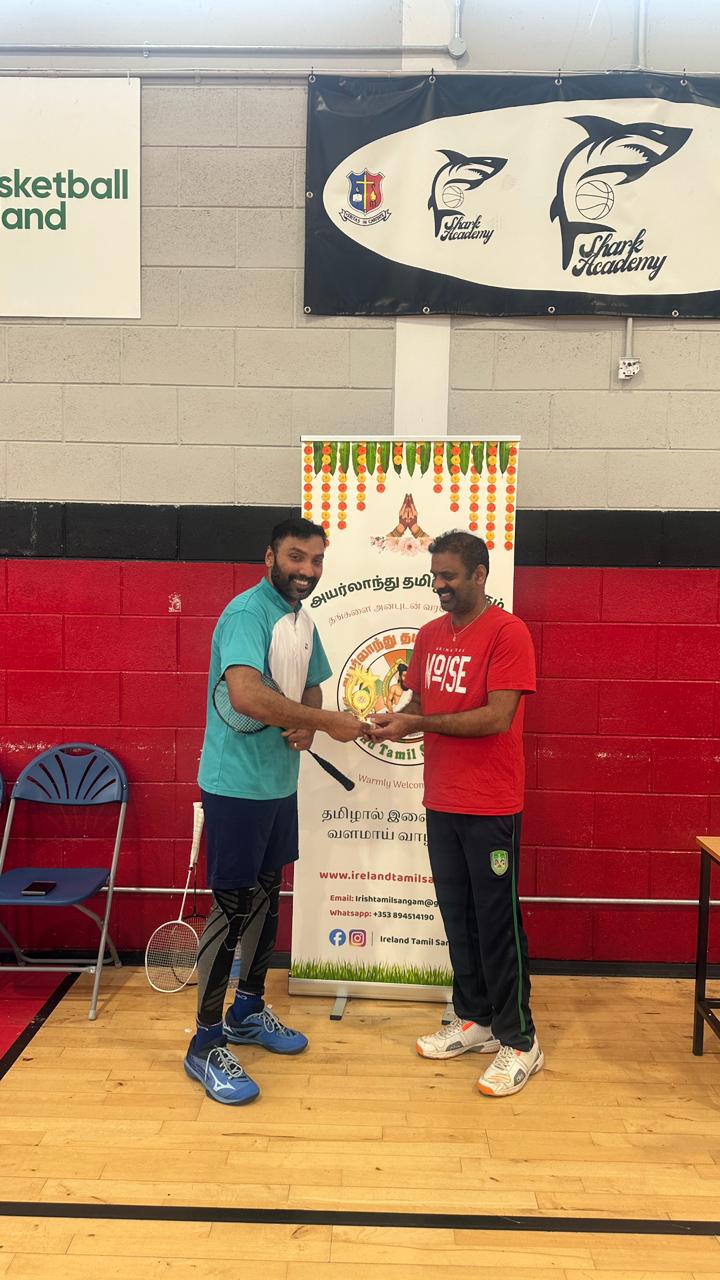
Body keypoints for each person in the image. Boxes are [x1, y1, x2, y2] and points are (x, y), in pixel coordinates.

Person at [185, 517, 363, 1105]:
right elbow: (245, 693)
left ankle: (247, 1011)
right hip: (235, 788)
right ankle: (204, 1042)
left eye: (316, 560)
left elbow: (311, 685)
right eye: (296, 557)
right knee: (231, 908)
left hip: (278, 787)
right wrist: (325, 723)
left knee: (266, 898)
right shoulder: (247, 613)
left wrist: (308, 723)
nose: (307, 570)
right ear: (270, 557)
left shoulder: (302, 620)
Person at [369, 530, 541, 1098]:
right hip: (440, 800)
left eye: (449, 576)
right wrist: (393, 721)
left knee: (497, 924)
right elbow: (420, 704)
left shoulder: (508, 633)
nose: (438, 585)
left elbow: (496, 717)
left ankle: (520, 1040)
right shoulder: (429, 635)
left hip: (491, 804)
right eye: (435, 575)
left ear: (479, 575)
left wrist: (419, 722)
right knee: (457, 917)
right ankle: (475, 1018)